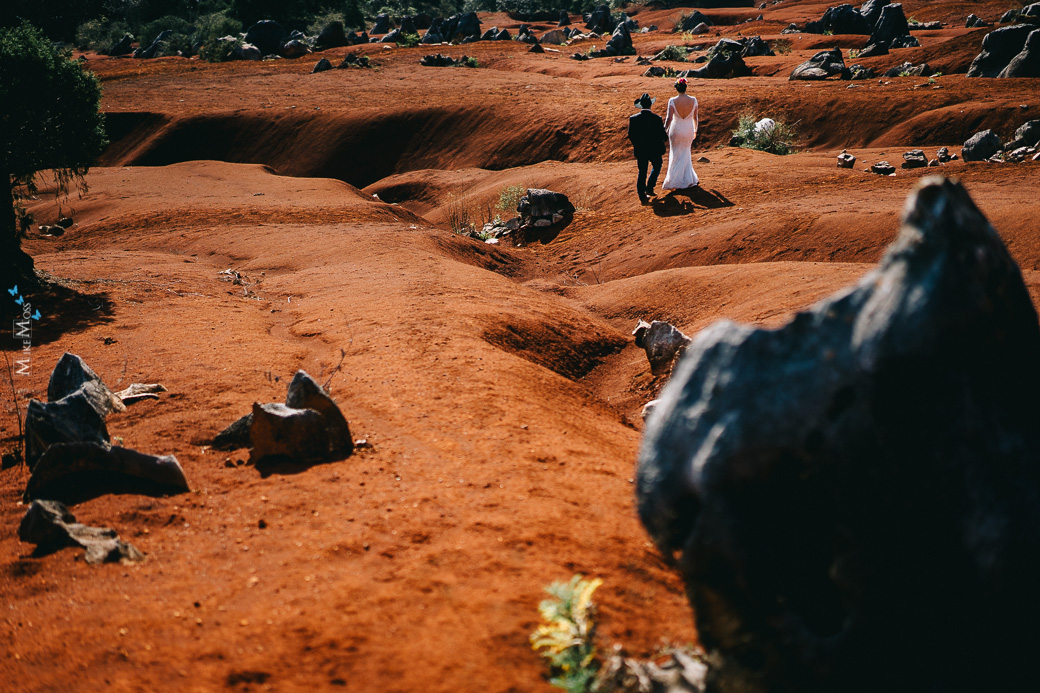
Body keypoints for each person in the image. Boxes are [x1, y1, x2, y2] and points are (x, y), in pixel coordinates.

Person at [627, 93, 668, 205]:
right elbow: (663, 135)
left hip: (641, 151)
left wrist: (638, 145)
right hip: (654, 150)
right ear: (650, 105)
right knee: (657, 165)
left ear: (641, 105)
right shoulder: (657, 119)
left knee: (642, 172)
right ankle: (650, 187)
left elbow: (631, 135)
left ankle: (642, 195)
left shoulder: (633, 119)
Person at [662, 78, 699, 190]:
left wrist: (664, 130)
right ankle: (687, 179)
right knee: (686, 152)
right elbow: (695, 118)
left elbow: (669, 118)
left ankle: (674, 180)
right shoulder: (693, 100)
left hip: (676, 130)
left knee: (675, 153)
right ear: (685, 87)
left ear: (677, 89)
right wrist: (695, 130)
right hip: (688, 129)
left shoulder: (672, 101)